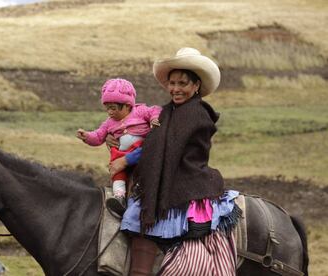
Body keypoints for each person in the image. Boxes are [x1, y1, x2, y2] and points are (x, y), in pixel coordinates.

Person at [108, 48, 240, 275]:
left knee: (141, 221)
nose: (175, 89)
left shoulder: (195, 114)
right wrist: (119, 140)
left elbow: (162, 149)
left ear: (196, 86)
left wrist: (125, 161)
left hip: (185, 179)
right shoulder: (168, 111)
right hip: (169, 174)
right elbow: (150, 140)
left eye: (183, 83)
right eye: (172, 83)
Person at [77, 78, 161, 216]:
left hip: (140, 152)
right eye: (107, 108)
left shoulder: (140, 111)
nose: (110, 112)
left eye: (113, 108)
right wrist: (87, 136)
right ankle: (119, 198)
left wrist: (154, 119)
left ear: (127, 105)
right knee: (117, 175)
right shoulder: (109, 123)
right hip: (121, 156)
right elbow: (98, 136)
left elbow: (155, 110)